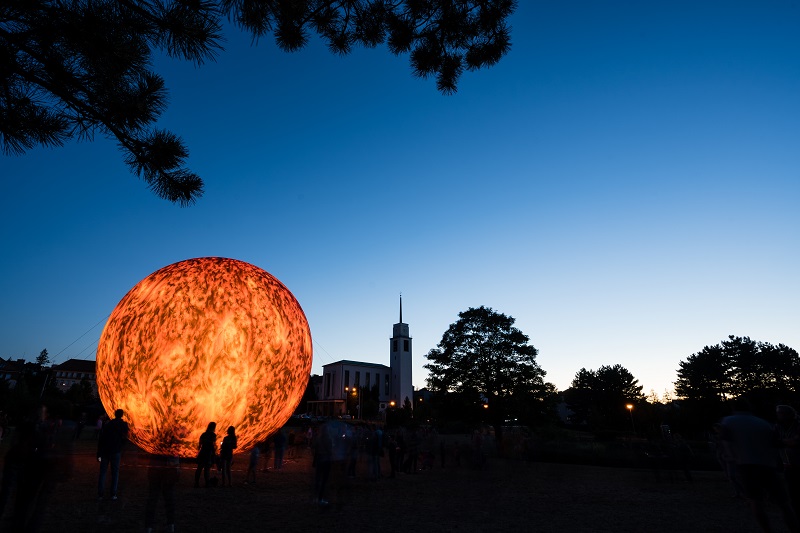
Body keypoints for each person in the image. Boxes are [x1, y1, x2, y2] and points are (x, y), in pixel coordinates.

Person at [720, 399, 799, 532]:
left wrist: (731, 457)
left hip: (747, 465)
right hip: (768, 465)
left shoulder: (728, 422)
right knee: (784, 503)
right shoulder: (763, 423)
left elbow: (727, 444)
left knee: (755, 501)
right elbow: (775, 443)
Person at [97, 408, 129, 500]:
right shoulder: (124, 425)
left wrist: (99, 453)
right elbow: (125, 438)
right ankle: (113, 494)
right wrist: (121, 448)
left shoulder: (108, 424)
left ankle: (100, 494)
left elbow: (101, 439)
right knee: (115, 473)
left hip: (105, 451)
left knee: (103, 473)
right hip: (116, 452)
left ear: (114, 414)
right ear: (122, 415)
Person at [144, 452, 179, 533]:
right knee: (169, 497)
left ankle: (148, 527)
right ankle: (171, 526)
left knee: (153, 498)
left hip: (156, 464)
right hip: (171, 465)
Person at [777, 405, 800, 514]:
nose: (778, 416)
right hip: (788, 464)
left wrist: (782, 442)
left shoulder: (798, 426)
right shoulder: (778, 427)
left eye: (780, 413)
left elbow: (796, 442)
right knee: (792, 492)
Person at [194, 422, 217, 488]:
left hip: (202, 452)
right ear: (213, 427)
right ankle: (207, 483)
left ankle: (196, 483)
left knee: (199, 468)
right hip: (208, 453)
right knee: (207, 469)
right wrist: (214, 455)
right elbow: (213, 445)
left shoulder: (203, 434)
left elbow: (200, 444)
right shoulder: (213, 435)